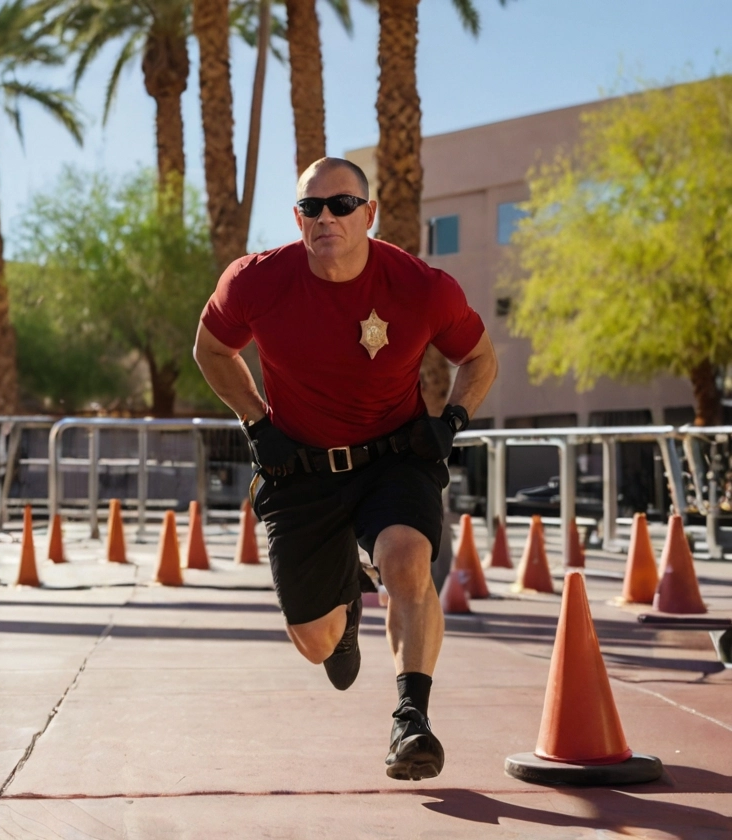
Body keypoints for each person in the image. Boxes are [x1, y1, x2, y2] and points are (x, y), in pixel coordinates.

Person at [193, 157, 497, 781]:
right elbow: (211, 348)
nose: (325, 217)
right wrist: (258, 424)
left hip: (394, 457)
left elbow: (480, 356)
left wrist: (452, 422)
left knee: (408, 558)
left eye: (341, 205)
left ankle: (412, 719)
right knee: (317, 645)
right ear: (297, 218)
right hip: (299, 467)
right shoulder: (255, 281)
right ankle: (347, 607)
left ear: (370, 213)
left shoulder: (420, 286)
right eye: (312, 207)